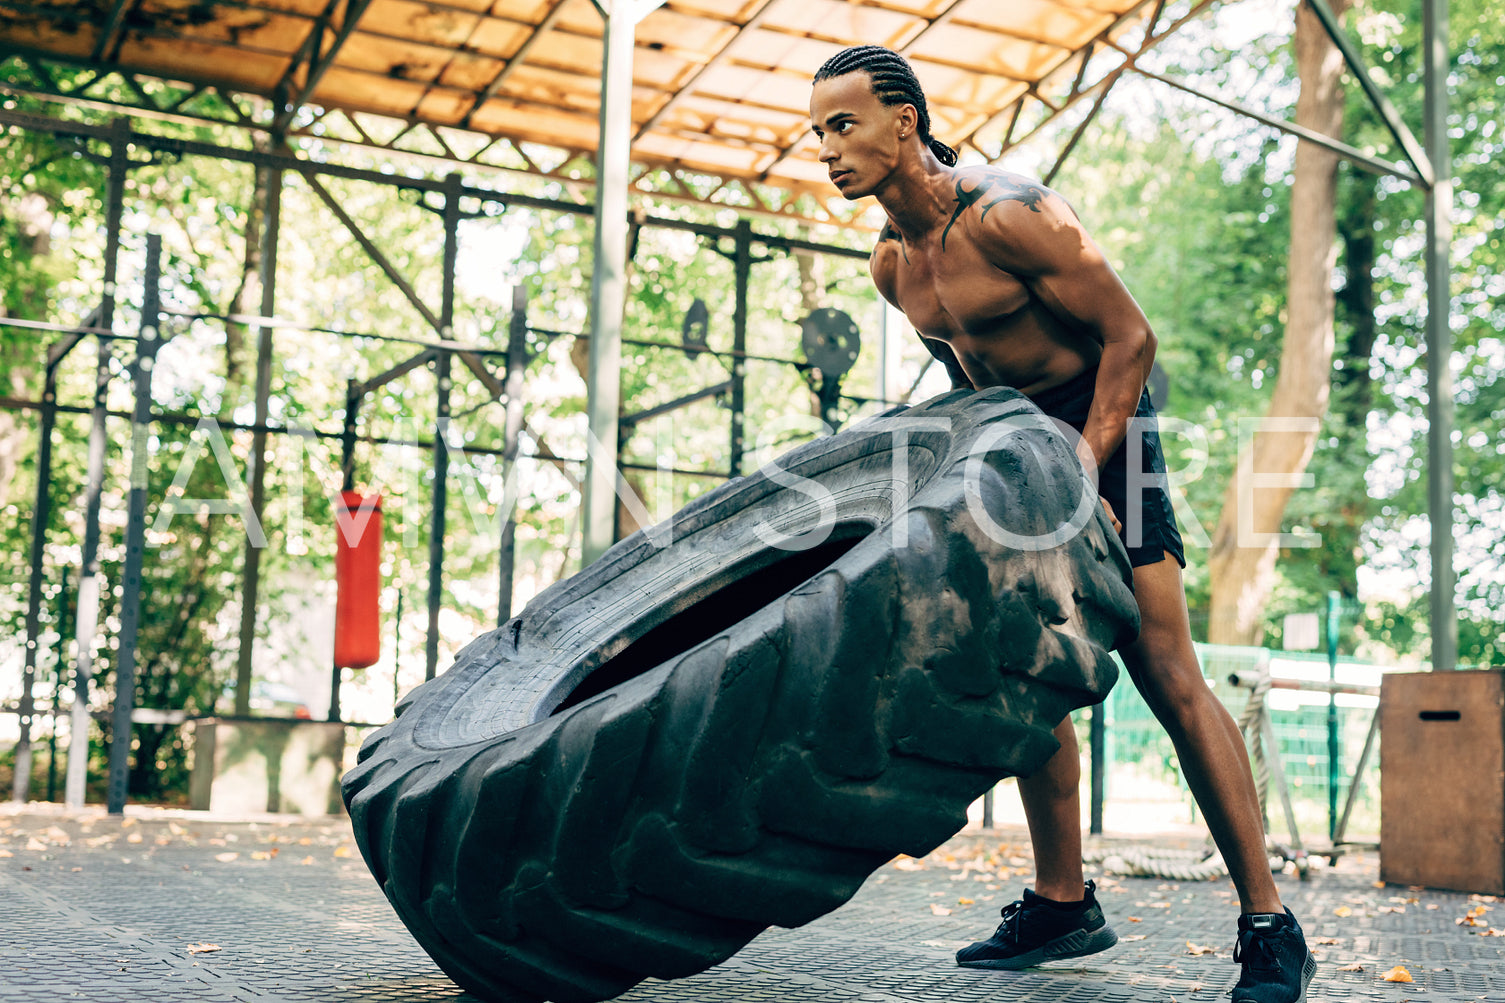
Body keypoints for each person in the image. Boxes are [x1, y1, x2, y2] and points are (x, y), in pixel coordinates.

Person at [809, 45, 1316, 1003]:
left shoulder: (1009, 213)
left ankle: (1267, 923)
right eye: (817, 132)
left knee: (1165, 669)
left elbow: (1130, 338)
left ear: (904, 121)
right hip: (1018, 454)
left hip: (1105, 424)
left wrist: (1087, 459)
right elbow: (971, 381)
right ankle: (1061, 898)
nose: (826, 149)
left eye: (843, 125)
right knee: (1028, 672)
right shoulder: (891, 267)